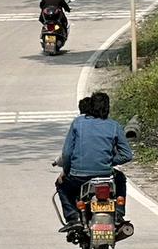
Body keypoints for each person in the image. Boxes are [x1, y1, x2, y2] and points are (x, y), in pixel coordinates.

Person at [55, 91, 133, 238]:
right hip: (105, 175)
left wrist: (66, 171)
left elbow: (67, 154)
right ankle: (118, 213)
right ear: (108, 108)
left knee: (62, 186)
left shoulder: (78, 123)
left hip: (78, 176)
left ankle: (73, 218)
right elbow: (127, 155)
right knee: (120, 179)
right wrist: (109, 161)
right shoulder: (114, 126)